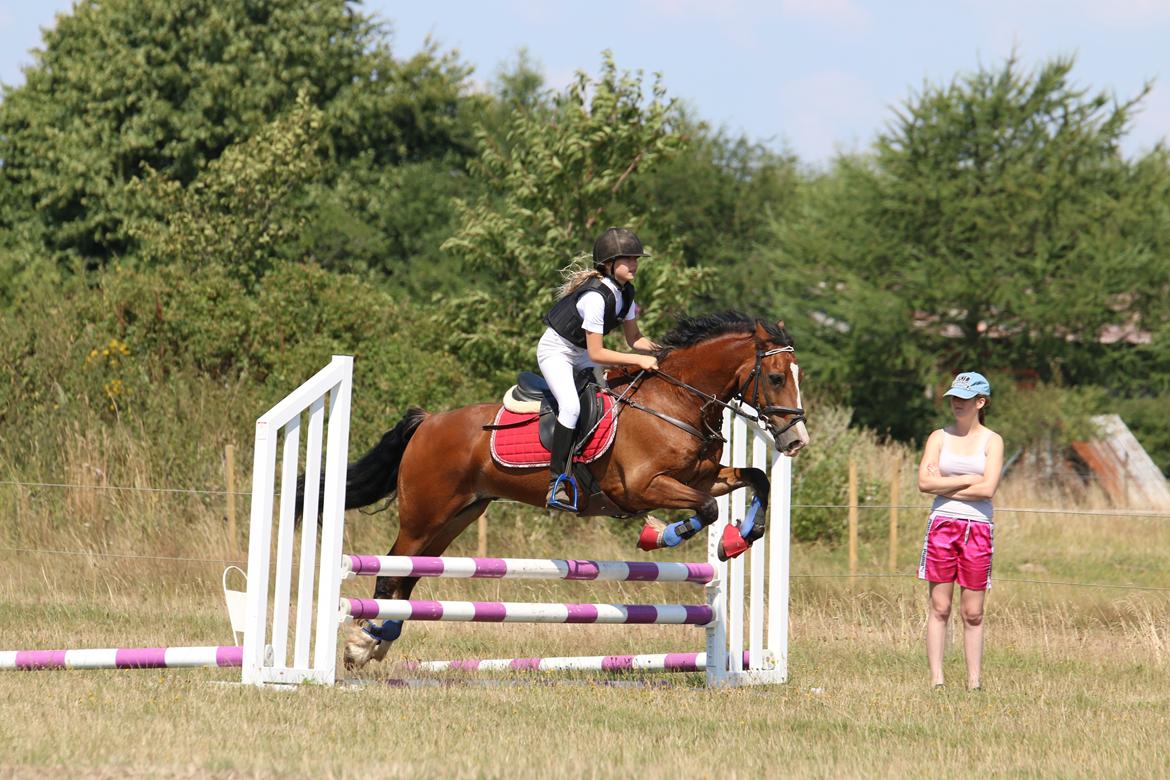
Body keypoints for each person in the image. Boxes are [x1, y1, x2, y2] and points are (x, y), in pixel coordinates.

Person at [537, 227, 660, 511]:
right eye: (627, 259)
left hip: (582, 355)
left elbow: (635, 339)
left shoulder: (627, 294)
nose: (634, 265)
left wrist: (665, 354)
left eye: (635, 259)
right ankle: (557, 481)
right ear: (608, 264)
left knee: (616, 401)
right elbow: (598, 352)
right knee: (571, 408)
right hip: (558, 353)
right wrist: (637, 360)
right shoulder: (594, 297)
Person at [916, 371, 1004, 691]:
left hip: (978, 528)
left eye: (964, 399)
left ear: (980, 402)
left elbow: (988, 489)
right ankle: (937, 680)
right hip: (942, 525)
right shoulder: (938, 437)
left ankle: (974, 682)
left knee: (973, 611)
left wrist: (945, 484)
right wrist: (968, 481)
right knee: (940, 606)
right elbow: (924, 483)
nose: (957, 403)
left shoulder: (992, 441)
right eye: (954, 397)